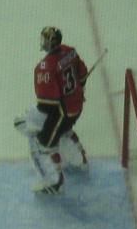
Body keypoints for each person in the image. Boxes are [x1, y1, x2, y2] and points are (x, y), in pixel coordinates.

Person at [15, 27, 89, 194]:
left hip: (62, 112)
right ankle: (79, 161)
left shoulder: (44, 68)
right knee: (63, 130)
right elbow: (82, 76)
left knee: (42, 142)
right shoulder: (70, 51)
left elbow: (47, 106)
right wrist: (77, 92)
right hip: (76, 106)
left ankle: (54, 183)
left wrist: (38, 124)